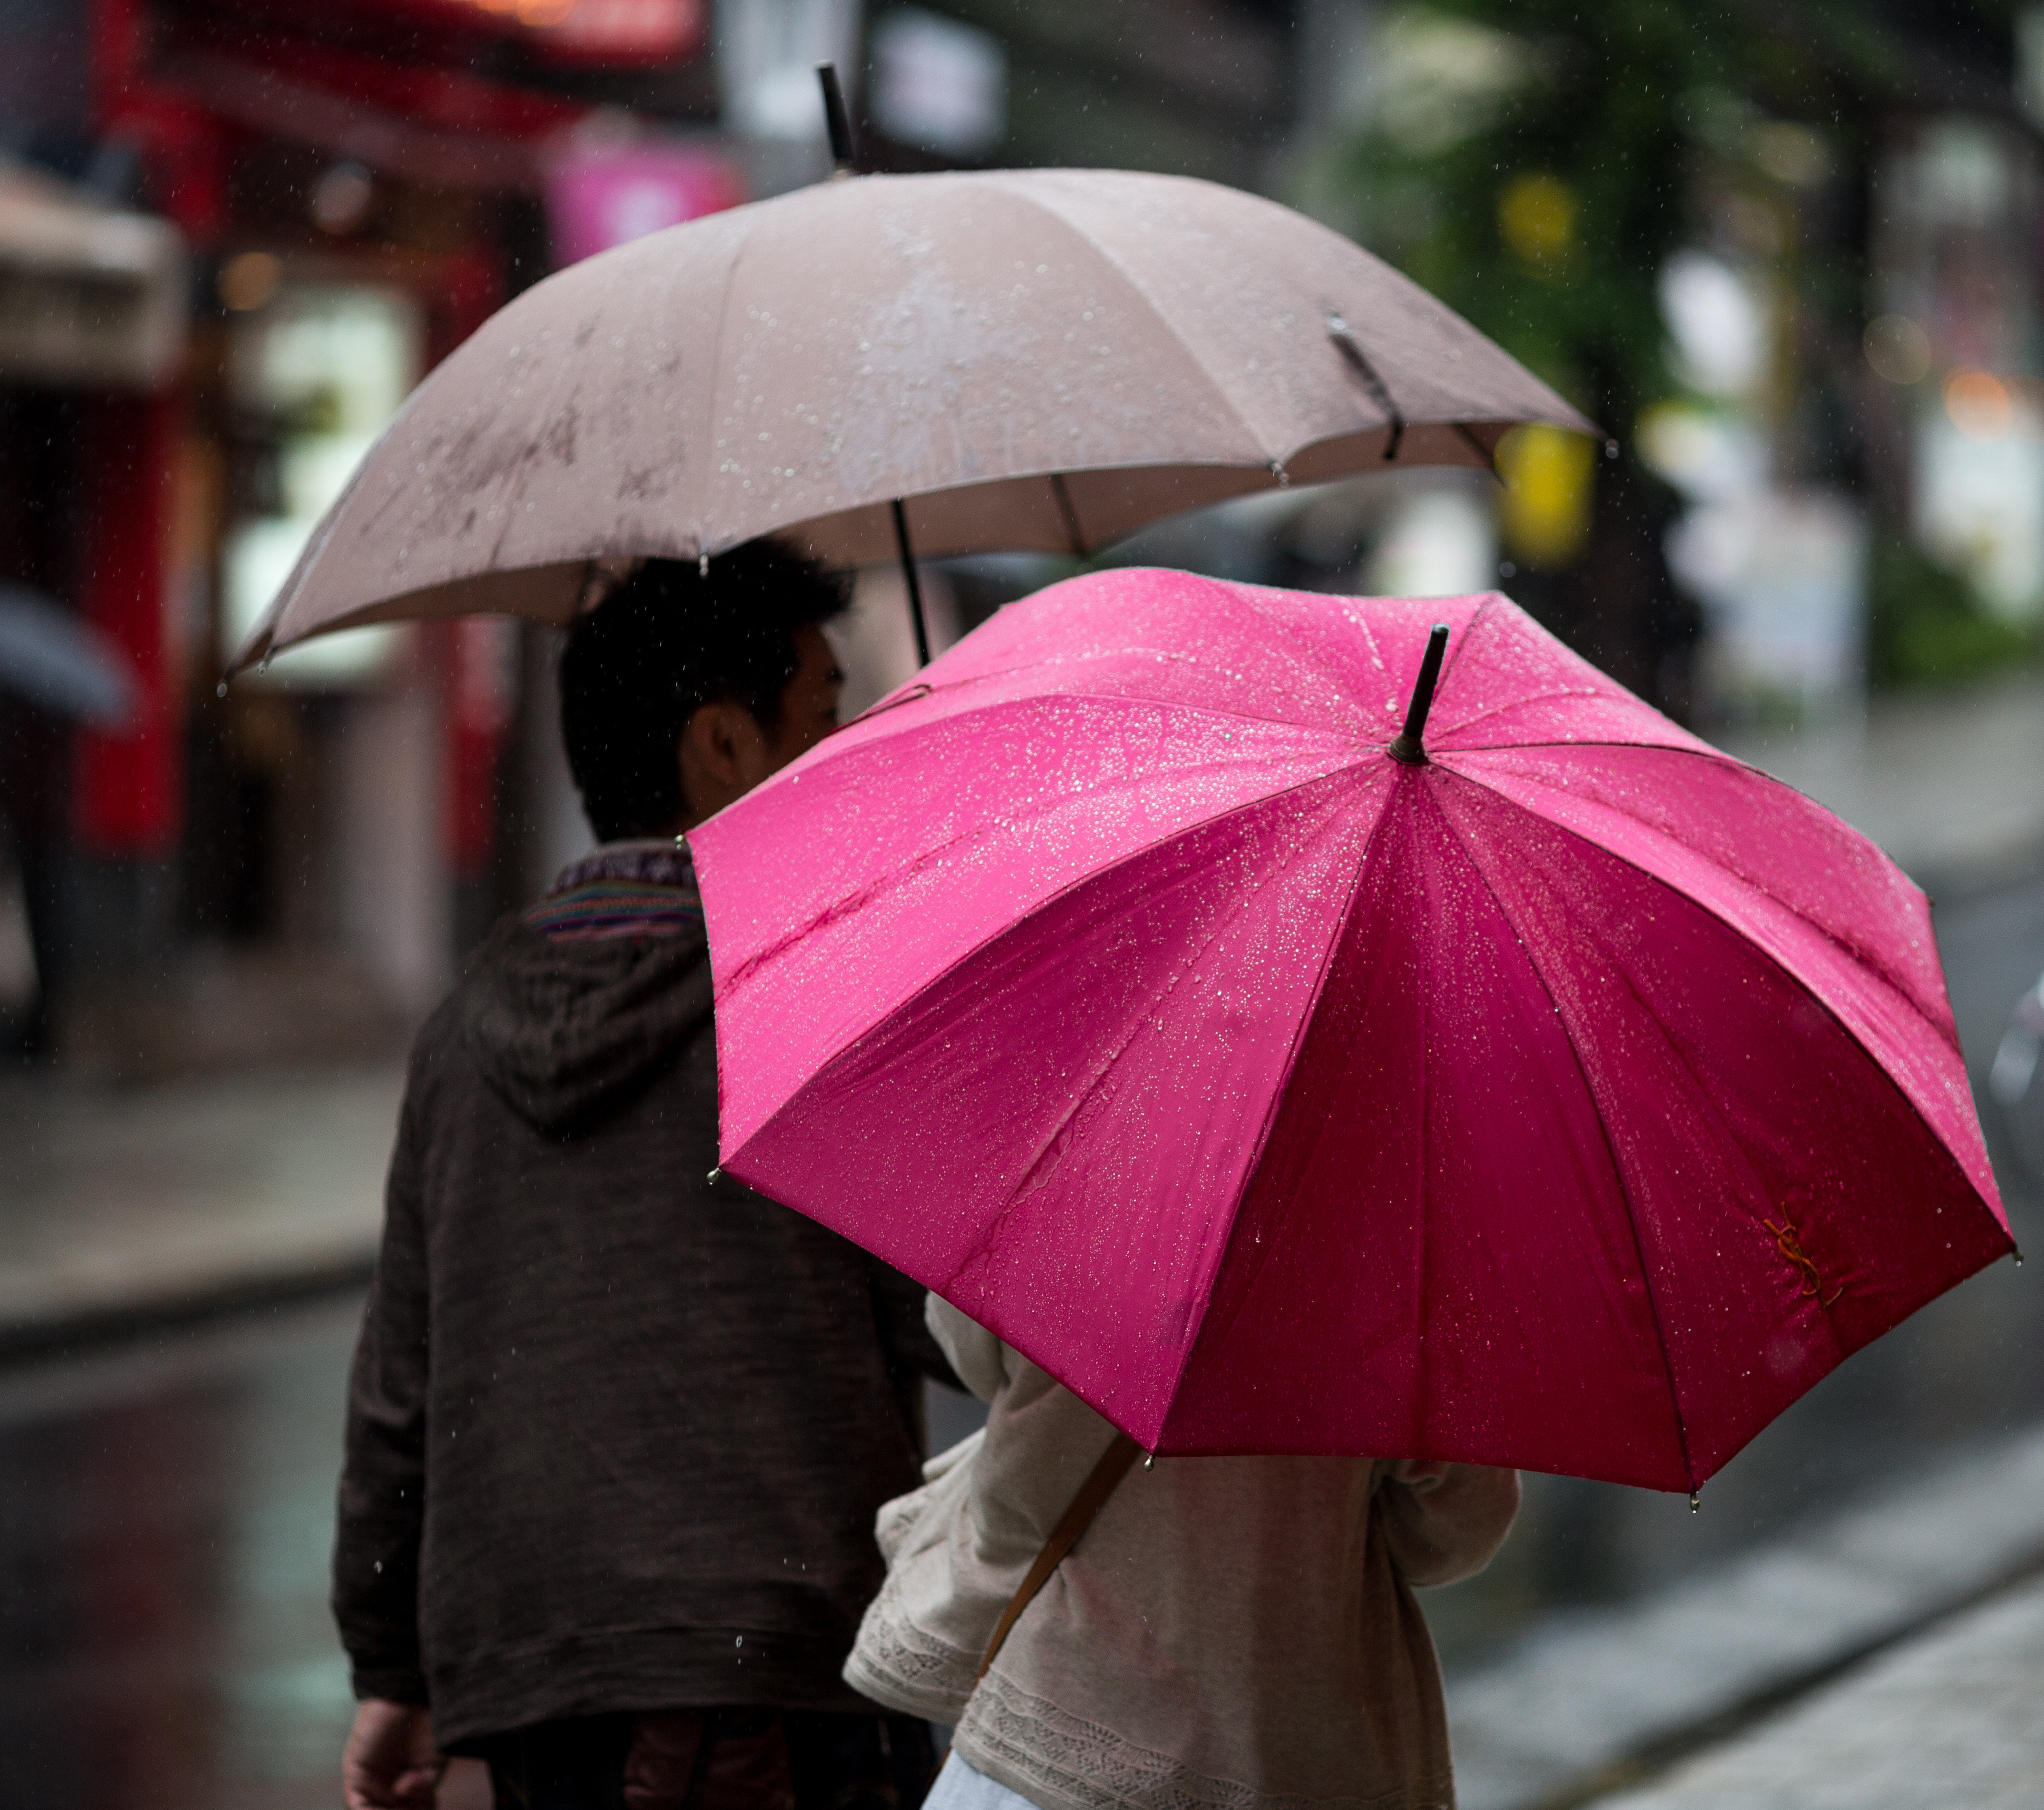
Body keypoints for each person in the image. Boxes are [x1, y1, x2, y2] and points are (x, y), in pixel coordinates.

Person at [335, 545, 955, 1810]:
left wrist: (393, 1669)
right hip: (790, 1673)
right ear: (722, 746)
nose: (844, 758)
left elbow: (404, 1391)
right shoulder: (816, 1005)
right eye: (825, 717)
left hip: (537, 1688)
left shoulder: (459, 1035)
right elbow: (954, 1320)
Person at [847, 1297, 1521, 1810]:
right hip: (1293, 1736)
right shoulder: (1403, 1292)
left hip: (1059, 1708)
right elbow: (1455, 1532)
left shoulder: (1073, 1195)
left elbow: (969, 1347)